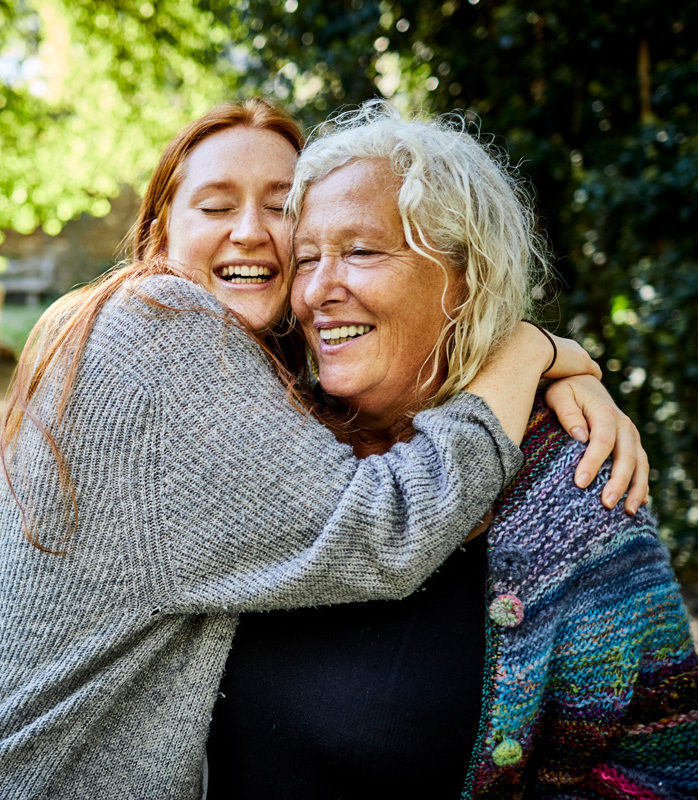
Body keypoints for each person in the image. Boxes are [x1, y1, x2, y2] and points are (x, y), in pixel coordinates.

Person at [0, 99, 651, 800]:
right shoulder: (158, 323)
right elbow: (382, 527)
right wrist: (529, 350)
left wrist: (20, 672)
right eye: (214, 206)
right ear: (157, 239)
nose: (252, 232)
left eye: (282, 209)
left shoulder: (286, 420)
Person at [203, 102, 697, 797]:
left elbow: (664, 771)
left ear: (465, 278)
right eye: (307, 258)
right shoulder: (261, 446)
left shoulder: (576, 488)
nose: (317, 291)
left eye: (362, 251)